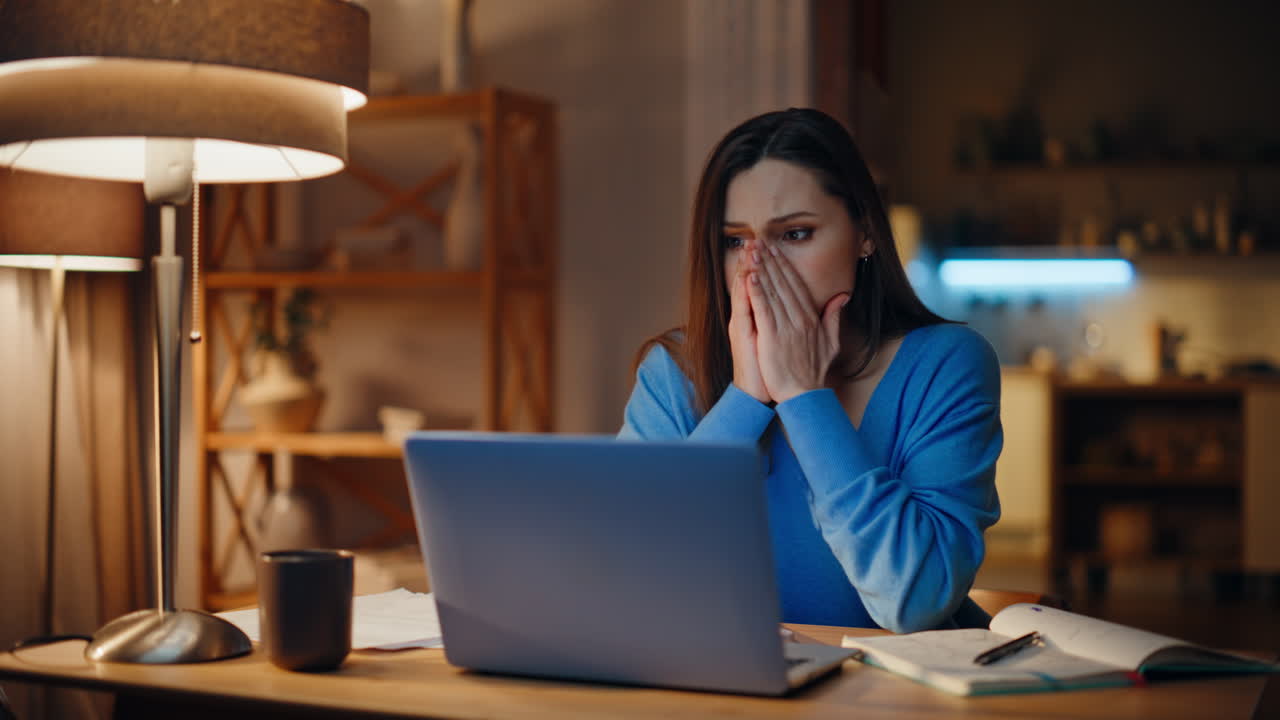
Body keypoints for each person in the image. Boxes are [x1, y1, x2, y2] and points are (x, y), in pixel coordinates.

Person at [618, 108, 1002, 633]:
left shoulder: (946, 364)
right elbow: (626, 574)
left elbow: (915, 601)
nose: (758, 268)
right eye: (735, 241)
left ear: (865, 232)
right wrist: (745, 399)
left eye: (795, 234)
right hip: (726, 678)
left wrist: (804, 397)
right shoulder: (673, 371)